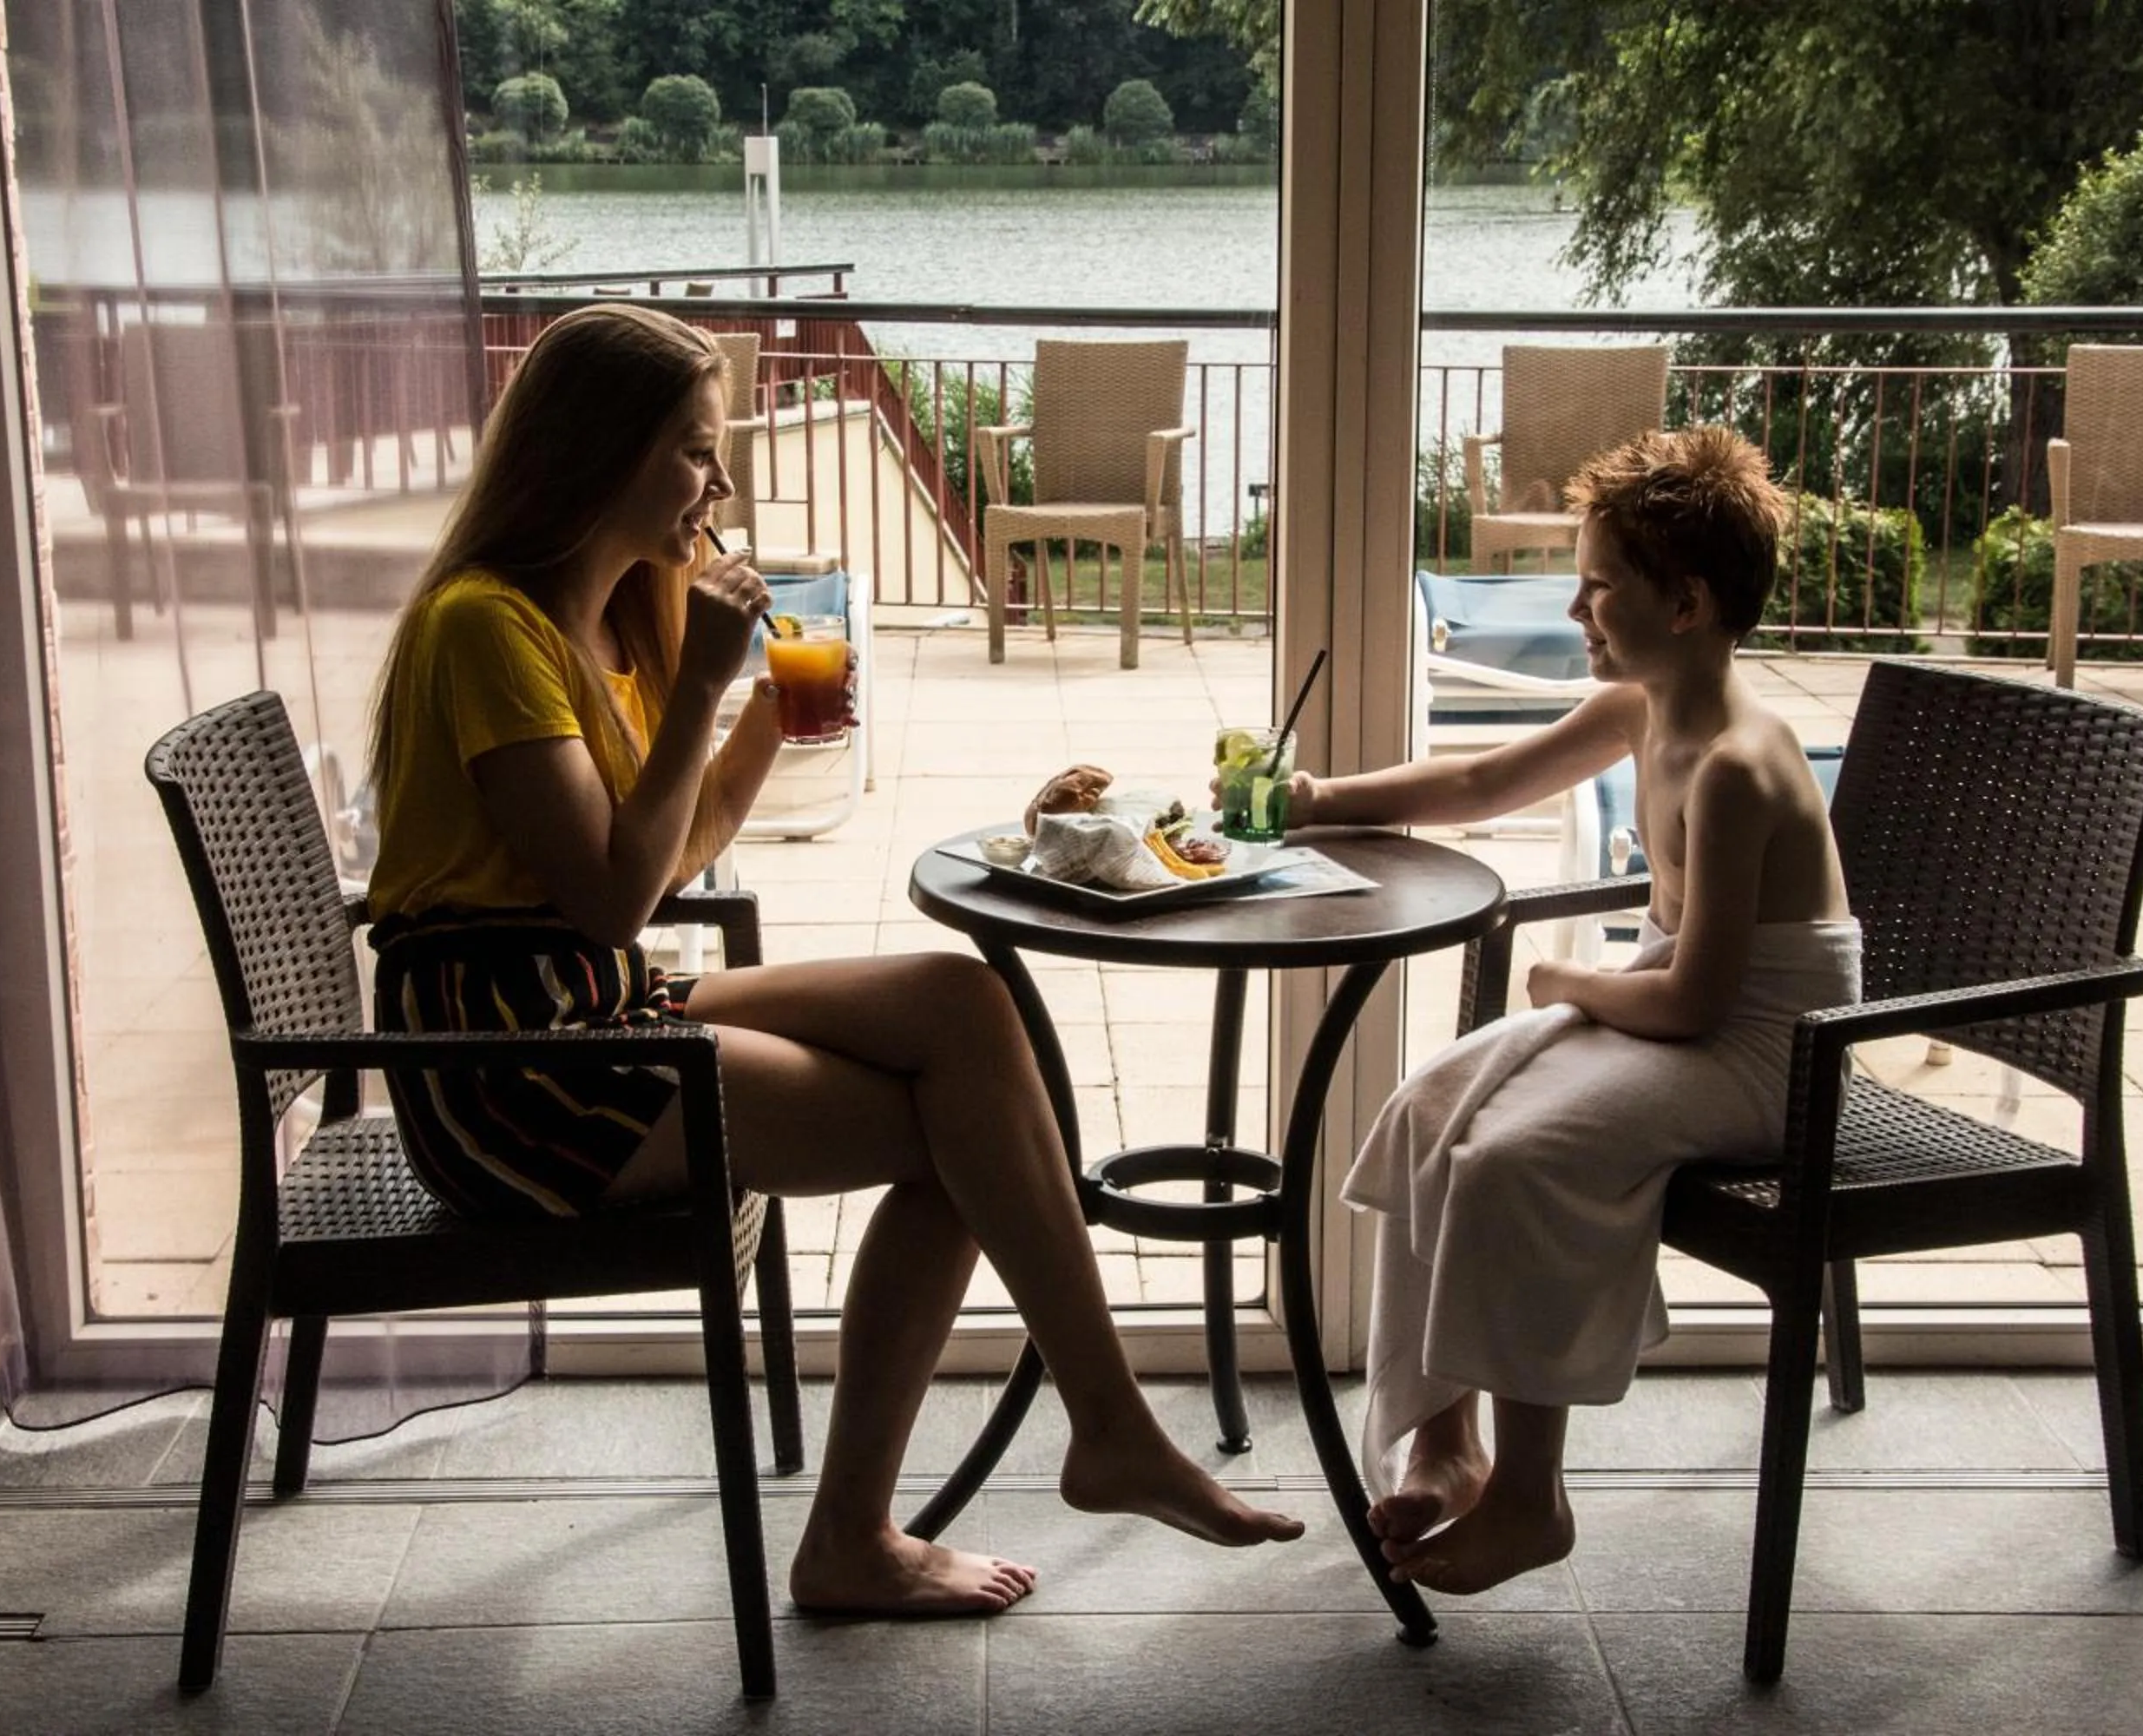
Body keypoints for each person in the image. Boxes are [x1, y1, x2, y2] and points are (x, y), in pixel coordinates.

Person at [363, 305, 1301, 1619]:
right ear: (599, 454)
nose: (721, 487)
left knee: (960, 1004)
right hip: (506, 1064)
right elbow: (609, 902)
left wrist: (751, 707)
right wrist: (695, 686)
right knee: (957, 1132)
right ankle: (952, 1494)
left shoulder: (604, 620)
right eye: (696, 453)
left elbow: (671, 849)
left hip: (578, 1002)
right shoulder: (487, 629)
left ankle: (1092, 1434)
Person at [1281, 426, 1859, 1595]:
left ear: (1687, 602)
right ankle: (1448, 1443)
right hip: (1679, 1008)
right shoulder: (1645, 707)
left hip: (1767, 1052)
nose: (1576, 607)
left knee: (1518, 1159)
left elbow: (1699, 1006)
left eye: (1600, 585)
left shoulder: (1740, 764)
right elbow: (1486, 781)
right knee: (1429, 1106)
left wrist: (1568, 981)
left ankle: (1534, 1501)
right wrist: (1314, 802)